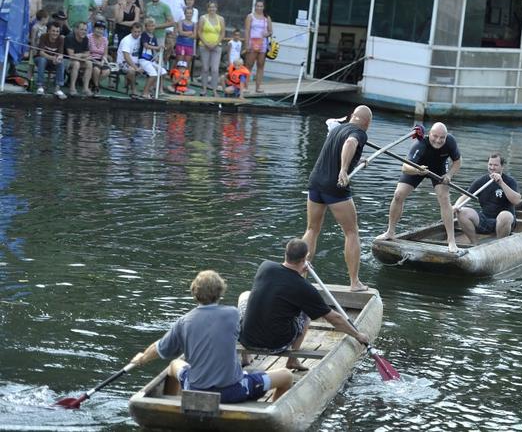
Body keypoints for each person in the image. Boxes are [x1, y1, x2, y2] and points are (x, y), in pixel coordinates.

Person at [131, 270, 293, 403]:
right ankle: (269, 414)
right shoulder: (233, 314)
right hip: (233, 392)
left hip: (193, 390)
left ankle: (176, 407)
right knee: (286, 376)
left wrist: (143, 358)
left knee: (174, 364)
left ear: (194, 292)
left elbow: (160, 348)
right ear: (220, 291)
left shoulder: (183, 322)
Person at [238, 239, 370, 371]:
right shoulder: (304, 287)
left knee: (244, 296)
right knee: (306, 313)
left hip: (248, 340)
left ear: (286, 253)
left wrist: (301, 271)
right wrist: (358, 335)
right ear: (305, 258)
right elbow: (334, 318)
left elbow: (285, 280)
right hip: (276, 345)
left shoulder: (265, 267)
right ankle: (293, 360)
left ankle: (245, 356)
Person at [302, 106, 372, 293]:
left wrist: (358, 160)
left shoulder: (337, 129)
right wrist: (343, 169)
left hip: (315, 182)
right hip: (334, 187)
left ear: (351, 117)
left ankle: (300, 276)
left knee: (312, 229)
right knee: (351, 232)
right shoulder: (359, 132)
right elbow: (349, 143)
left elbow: (339, 149)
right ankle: (355, 283)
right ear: (368, 124)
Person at [376, 122, 462, 252]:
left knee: (444, 198)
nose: (438, 140)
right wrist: (417, 171)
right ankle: (390, 232)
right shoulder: (420, 144)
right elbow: (405, 168)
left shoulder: (450, 141)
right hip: (417, 168)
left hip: (439, 170)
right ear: (429, 134)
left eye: (442, 138)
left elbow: (458, 161)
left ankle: (451, 241)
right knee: (398, 194)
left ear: (446, 136)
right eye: (435, 136)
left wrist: (449, 175)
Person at [454, 153, 521, 245]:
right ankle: (474, 244)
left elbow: (516, 200)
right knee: (462, 212)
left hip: (505, 221)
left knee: (504, 216)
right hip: (486, 219)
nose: (492, 168)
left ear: (502, 167)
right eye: (490, 164)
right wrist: (456, 206)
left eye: (495, 165)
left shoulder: (510, 181)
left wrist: (501, 183)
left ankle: (499, 246)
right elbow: (465, 196)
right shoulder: (481, 181)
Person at [244, 0, 272, 93]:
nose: (259, 8)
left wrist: (266, 34)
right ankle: (244, 86)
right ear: (255, 6)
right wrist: (247, 44)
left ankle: (258, 87)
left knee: (260, 65)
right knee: (248, 65)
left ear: (264, 7)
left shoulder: (266, 18)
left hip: (262, 44)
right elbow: (247, 31)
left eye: (261, 6)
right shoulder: (250, 16)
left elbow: (270, 32)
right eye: (257, 6)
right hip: (252, 43)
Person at [197, 0, 225, 97]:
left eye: (214, 7)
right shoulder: (203, 18)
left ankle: (214, 90)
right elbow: (199, 32)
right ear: (207, 8)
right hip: (204, 45)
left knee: (215, 69)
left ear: (216, 8)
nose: (212, 9)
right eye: (210, 7)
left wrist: (216, 43)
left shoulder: (221, 19)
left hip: (217, 46)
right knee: (205, 68)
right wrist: (206, 43)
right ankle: (204, 89)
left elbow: (222, 33)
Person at [35, 22, 68, 99]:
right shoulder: (43, 37)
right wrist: (53, 58)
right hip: (40, 59)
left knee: (61, 62)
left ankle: (57, 88)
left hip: (53, 60)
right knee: (42, 60)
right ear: (49, 31)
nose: (55, 33)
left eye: (57, 31)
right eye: (53, 31)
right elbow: (41, 53)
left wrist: (58, 59)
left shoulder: (61, 39)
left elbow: (60, 54)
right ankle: (40, 86)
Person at [138, 17, 167, 98]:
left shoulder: (153, 36)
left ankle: (159, 90)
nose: (151, 27)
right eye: (149, 26)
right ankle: (145, 92)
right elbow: (146, 45)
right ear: (146, 26)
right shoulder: (144, 34)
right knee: (153, 74)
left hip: (150, 60)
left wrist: (161, 48)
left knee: (163, 71)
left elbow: (157, 48)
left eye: (153, 26)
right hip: (143, 59)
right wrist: (157, 48)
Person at [64, 21, 93, 95]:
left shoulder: (85, 39)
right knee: (76, 64)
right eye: (81, 29)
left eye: (85, 30)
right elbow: (71, 55)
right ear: (76, 29)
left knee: (89, 63)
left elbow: (88, 53)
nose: (84, 32)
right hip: (66, 61)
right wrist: (82, 55)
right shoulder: (69, 37)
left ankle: (85, 88)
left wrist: (79, 55)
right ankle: (72, 87)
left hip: (79, 60)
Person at [116, 22, 143, 97]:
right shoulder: (126, 40)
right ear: (131, 30)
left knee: (150, 67)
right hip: (123, 62)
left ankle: (148, 90)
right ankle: (133, 90)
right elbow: (126, 57)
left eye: (139, 32)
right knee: (132, 71)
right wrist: (136, 68)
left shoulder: (141, 38)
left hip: (136, 61)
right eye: (135, 31)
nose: (137, 34)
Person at [160, 0, 185, 66]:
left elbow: (182, 13)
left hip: (174, 29)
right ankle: (159, 67)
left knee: (169, 48)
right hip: (161, 28)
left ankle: (164, 65)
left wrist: (177, 27)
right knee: (160, 48)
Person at [87, 19, 111, 94]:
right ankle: (96, 86)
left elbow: (105, 54)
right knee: (96, 70)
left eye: (102, 29)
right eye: (98, 28)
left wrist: (103, 61)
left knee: (107, 71)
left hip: (101, 59)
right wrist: (96, 61)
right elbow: (87, 52)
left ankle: (92, 83)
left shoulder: (105, 40)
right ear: (94, 28)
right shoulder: (88, 37)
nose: (100, 31)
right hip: (91, 59)